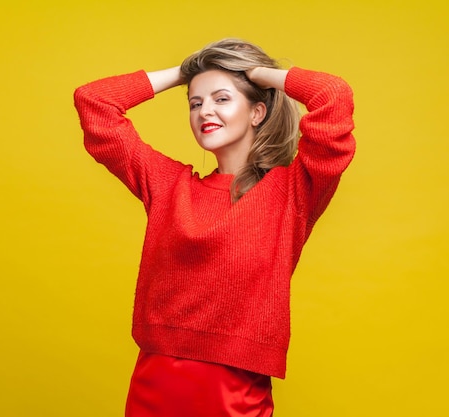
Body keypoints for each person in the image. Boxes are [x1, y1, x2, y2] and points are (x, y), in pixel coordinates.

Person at [74, 38, 356, 417]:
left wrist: (256, 73)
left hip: (234, 392)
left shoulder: (292, 192)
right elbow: (94, 102)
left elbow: (332, 96)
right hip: (155, 384)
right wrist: (188, 72)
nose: (205, 110)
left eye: (222, 99)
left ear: (257, 112)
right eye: (196, 102)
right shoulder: (169, 186)